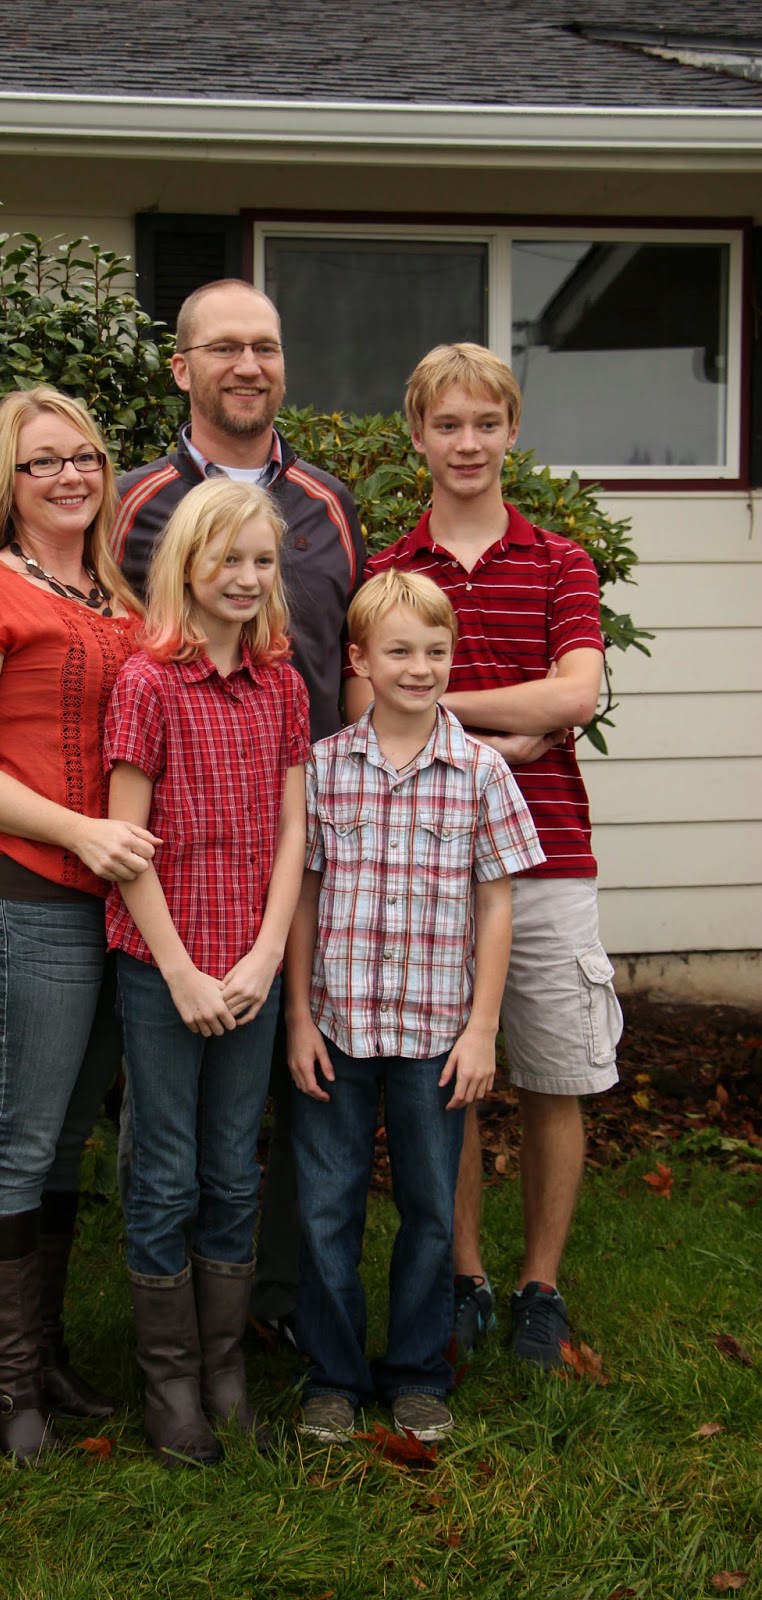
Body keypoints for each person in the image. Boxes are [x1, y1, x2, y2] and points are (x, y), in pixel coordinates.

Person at [345, 344, 623, 1370]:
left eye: (485, 423)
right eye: (446, 424)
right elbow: (354, 708)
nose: (466, 442)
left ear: (511, 432)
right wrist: (489, 729)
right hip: (421, 867)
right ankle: (461, 1276)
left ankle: (537, 1287)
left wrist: (430, 702)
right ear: (417, 435)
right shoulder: (387, 572)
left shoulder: (560, 562)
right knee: (444, 1082)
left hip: (548, 857)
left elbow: (572, 696)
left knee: (556, 1074)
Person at [110, 278, 366, 1341]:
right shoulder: (133, 501)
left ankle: (278, 1311)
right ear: (184, 368)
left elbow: (353, 658)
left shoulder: (328, 504)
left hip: (297, 839)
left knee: (294, 1082)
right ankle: (184, 1343)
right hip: (167, 855)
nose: (248, 365)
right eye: (224, 348)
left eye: (264, 345)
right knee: (175, 1126)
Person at [0, 386, 158, 1463]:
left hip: (112, 900)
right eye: (42, 462)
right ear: (5, 486)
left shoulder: (118, 596)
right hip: (22, 891)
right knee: (18, 1132)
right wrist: (79, 830)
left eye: (87, 457)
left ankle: (49, 1359)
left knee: (65, 1137)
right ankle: (7, 1394)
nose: (69, 476)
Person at [287, 570, 545, 1442]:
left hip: (437, 1035)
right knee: (327, 1209)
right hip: (337, 1028)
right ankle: (333, 1374)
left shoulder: (479, 771)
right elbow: (303, 897)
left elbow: (497, 902)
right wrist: (295, 1019)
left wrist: (482, 1031)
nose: (420, 667)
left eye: (436, 652)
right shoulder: (321, 770)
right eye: (399, 651)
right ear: (359, 659)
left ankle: (416, 1373)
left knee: (433, 1212)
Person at [104, 477, 309, 1466]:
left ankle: (225, 1370)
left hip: (249, 969)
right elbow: (126, 839)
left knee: (234, 1166)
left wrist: (267, 954)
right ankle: (170, 1384)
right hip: (164, 967)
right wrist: (181, 971)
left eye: (261, 560)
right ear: (185, 564)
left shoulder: (281, 685)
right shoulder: (148, 681)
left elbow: (291, 831)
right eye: (226, 558)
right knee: (165, 1168)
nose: (245, 575)